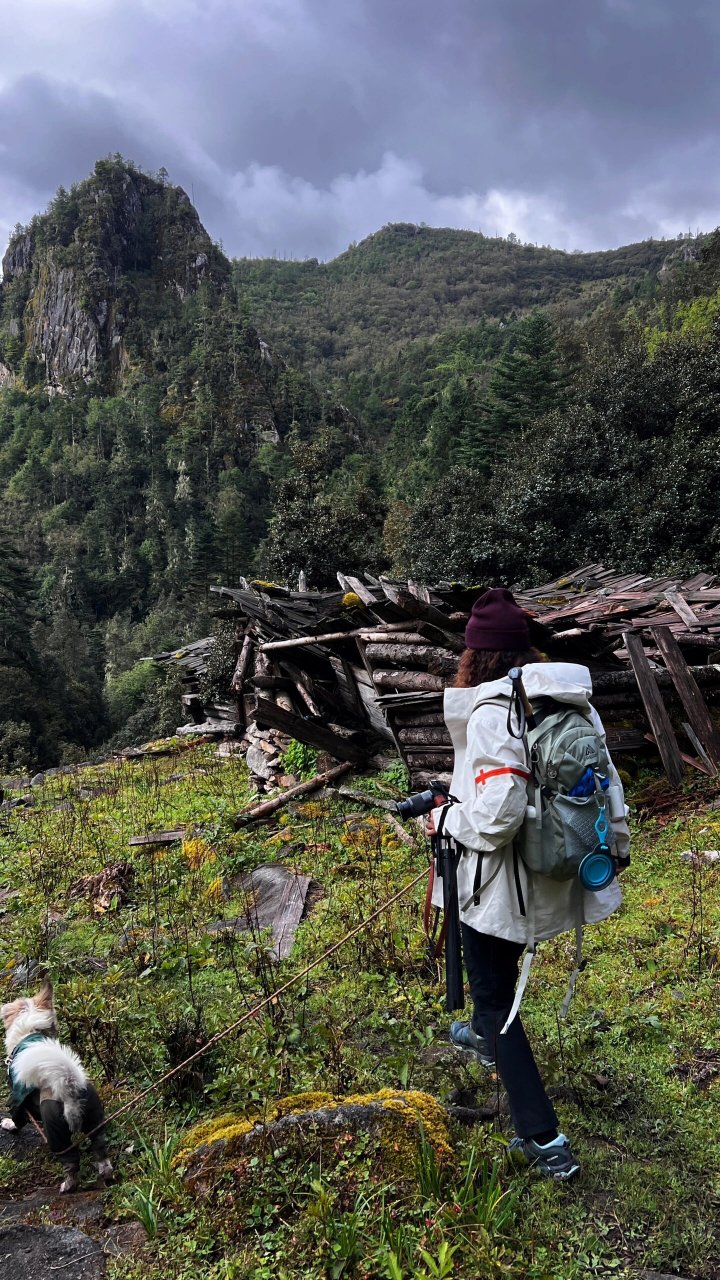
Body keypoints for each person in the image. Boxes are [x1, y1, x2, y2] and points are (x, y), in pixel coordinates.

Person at [426, 587, 630, 1180]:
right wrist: (615, 850)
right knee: (499, 979)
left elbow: (496, 815)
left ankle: (543, 1139)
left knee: (496, 995)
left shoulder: (494, 710)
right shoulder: (572, 705)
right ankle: (485, 1034)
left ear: (474, 655)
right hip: (550, 875)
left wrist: (443, 817)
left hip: (498, 886)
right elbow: (608, 786)